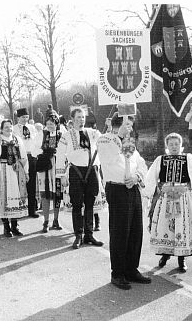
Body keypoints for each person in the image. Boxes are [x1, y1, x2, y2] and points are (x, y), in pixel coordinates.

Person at [97, 112, 151, 290]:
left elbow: (141, 163)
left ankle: (131, 269)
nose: (130, 129)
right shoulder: (105, 139)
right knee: (120, 231)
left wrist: (137, 176)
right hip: (117, 188)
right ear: (116, 124)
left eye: (131, 126)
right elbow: (110, 156)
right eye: (127, 125)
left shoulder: (130, 144)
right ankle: (118, 272)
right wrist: (120, 135)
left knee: (136, 230)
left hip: (132, 187)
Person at [144, 133, 192, 272]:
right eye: (171, 144)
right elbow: (151, 178)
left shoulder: (188, 159)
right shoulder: (160, 160)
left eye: (176, 144)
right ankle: (165, 254)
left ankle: (182, 258)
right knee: (166, 226)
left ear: (181, 145)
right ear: (167, 146)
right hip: (166, 197)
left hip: (184, 197)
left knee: (182, 225)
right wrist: (148, 196)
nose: (174, 147)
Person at [55, 107, 103, 249]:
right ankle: (78, 235)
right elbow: (60, 156)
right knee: (77, 204)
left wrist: (110, 129)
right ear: (72, 119)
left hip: (91, 171)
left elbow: (105, 142)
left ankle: (89, 235)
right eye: (78, 118)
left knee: (90, 203)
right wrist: (61, 175)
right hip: (75, 171)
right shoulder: (66, 136)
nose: (81, 120)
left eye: (82, 117)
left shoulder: (93, 133)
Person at [0, 119, 28, 237]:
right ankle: (6, 227)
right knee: (3, 197)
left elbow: (23, 156)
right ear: (1, 129)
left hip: (16, 172)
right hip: (2, 170)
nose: (9, 129)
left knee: (16, 196)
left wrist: (26, 172)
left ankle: (15, 226)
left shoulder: (17, 139)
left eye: (10, 127)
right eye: (6, 127)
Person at [35, 114, 64, 232]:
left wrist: (57, 153)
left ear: (57, 124)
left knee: (57, 193)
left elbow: (65, 151)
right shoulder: (41, 134)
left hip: (57, 166)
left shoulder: (61, 135)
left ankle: (56, 220)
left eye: (52, 124)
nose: (50, 126)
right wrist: (44, 151)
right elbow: (34, 149)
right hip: (45, 165)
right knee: (45, 194)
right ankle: (46, 221)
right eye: (48, 124)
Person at [13, 108, 39, 218]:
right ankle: (19, 207)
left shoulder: (32, 128)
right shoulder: (14, 129)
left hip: (31, 156)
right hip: (20, 158)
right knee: (20, 183)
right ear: (18, 118)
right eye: (22, 117)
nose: (24, 119)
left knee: (32, 183)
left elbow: (37, 142)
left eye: (26, 117)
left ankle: (32, 209)